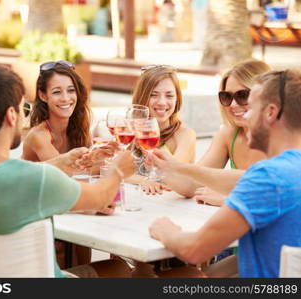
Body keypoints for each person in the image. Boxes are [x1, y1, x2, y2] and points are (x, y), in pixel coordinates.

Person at [0, 65, 135, 278]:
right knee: (121, 268)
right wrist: (118, 169)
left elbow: (14, 179)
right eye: (22, 109)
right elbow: (102, 197)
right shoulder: (37, 180)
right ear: (11, 115)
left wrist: (60, 161)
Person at [149, 69, 301, 278]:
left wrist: (165, 231)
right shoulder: (288, 170)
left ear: (270, 112)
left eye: (251, 107)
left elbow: (194, 250)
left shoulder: (269, 177)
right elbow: (241, 179)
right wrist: (177, 168)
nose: (243, 115)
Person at [155, 59, 270, 206]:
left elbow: (285, 194)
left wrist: (230, 199)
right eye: (227, 97)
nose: (233, 104)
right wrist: (160, 167)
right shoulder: (229, 134)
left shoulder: (284, 135)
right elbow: (193, 183)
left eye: (243, 95)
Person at [23, 60, 114, 171]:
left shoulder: (80, 127)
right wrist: (109, 165)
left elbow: (90, 168)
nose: (65, 98)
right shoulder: (38, 136)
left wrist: (104, 157)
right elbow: (63, 175)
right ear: (43, 96)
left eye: (71, 90)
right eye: (57, 92)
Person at [128, 64, 196, 194]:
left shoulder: (185, 135)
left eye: (169, 96)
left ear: (177, 99)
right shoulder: (130, 131)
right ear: (142, 97)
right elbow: (116, 171)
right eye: (154, 95)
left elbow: (173, 172)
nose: (162, 102)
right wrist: (143, 181)